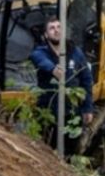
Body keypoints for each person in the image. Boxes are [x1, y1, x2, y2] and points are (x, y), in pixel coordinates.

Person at [29, 17, 95, 153]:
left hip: (72, 111)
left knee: (71, 149)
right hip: (49, 111)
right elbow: (37, 58)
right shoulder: (42, 52)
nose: (56, 31)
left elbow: (86, 80)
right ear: (46, 34)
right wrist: (53, 69)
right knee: (48, 148)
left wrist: (88, 108)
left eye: (59, 27)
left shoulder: (75, 52)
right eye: (52, 28)